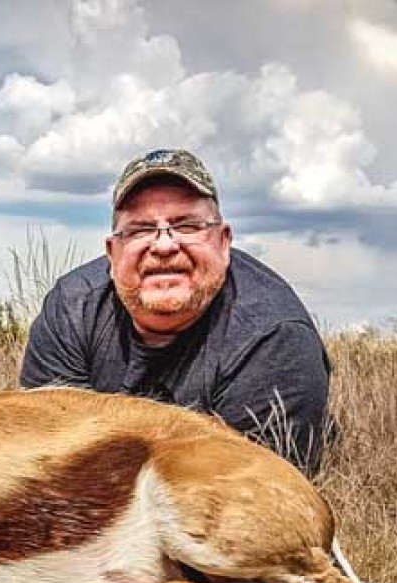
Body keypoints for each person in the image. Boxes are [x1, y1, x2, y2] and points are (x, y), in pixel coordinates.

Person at [19, 148, 333, 474]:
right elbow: (46, 459)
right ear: (112, 253)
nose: (164, 246)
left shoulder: (274, 337)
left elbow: (251, 496)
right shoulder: (71, 309)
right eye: (140, 229)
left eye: (186, 226)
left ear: (224, 242)